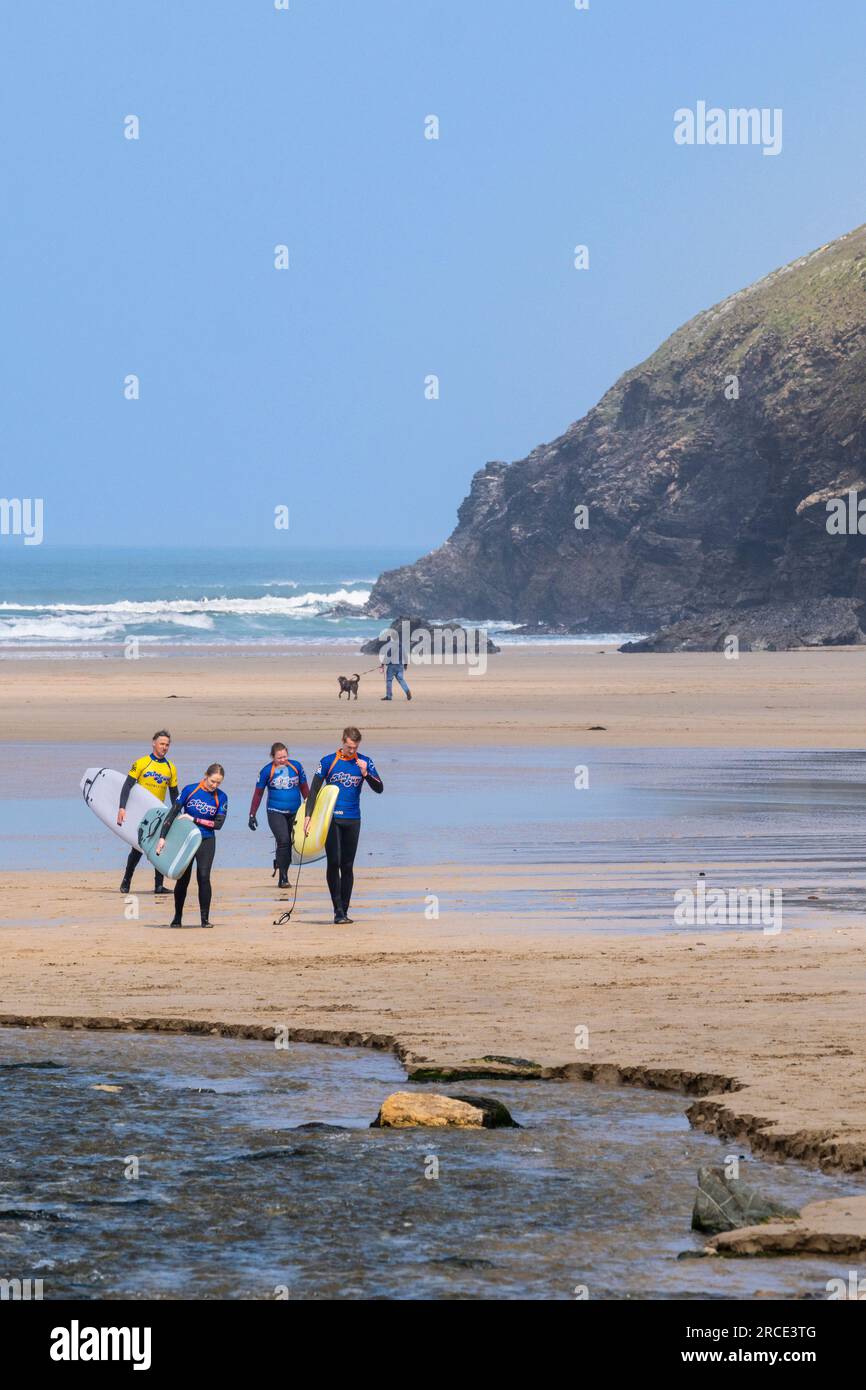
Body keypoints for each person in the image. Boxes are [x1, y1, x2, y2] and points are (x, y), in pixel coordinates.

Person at [305, 726, 382, 925]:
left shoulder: (365, 762)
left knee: (347, 866)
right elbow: (313, 791)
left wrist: (365, 773)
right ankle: (337, 910)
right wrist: (308, 817)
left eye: (355, 747)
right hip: (331, 819)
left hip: (353, 819)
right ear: (343, 741)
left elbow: (379, 788)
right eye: (349, 747)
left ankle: (345, 910)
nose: (351, 751)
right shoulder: (328, 761)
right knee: (334, 862)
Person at [156, 763, 228, 929]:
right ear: (205, 776)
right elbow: (172, 813)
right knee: (183, 879)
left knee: (203, 877)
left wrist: (194, 819)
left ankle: (205, 919)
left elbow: (218, 824)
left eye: (218, 783)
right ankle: (177, 917)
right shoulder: (190, 790)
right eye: (212, 781)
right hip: (186, 840)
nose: (214, 786)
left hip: (206, 840)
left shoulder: (221, 797)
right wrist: (162, 838)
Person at [117, 730, 179, 894]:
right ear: (154, 743)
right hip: (141, 813)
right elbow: (127, 785)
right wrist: (122, 807)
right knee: (137, 848)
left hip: (159, 813)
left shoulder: (170, 768)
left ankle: (158, 885)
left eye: (167, 745)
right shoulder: (142, 763)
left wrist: (177, 815)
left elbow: (174, 794)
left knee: (159, 846)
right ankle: (126, 881)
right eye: (161, 744)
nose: (164, 747)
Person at [248, 742, 309, 888]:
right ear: (272, 757)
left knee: (291, 844)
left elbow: (305, 789)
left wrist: (311, 810)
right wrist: (252, 814)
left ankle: (280, 863)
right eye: (279, 757)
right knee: (283, 841)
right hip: (275, 812)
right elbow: (258, 794)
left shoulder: (297, 767)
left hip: (295, 811)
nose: (282, 760)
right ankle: (283, 878)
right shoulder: (266, 771)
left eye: (285, 756)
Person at [379, 624, 412, 702]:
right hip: (400, 665)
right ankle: (407, 691)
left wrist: (383, 663)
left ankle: (389, 696)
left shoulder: (391, 645)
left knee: (389, 680)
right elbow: (405, 655)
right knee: (401, 680)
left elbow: (388, 655)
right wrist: (406, 664)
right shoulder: (402, 645)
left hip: (392, 665)